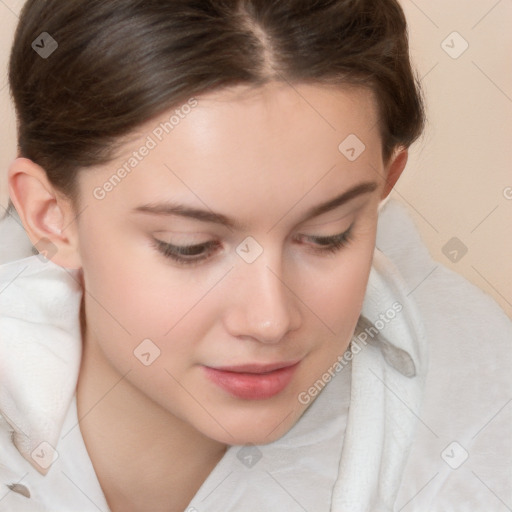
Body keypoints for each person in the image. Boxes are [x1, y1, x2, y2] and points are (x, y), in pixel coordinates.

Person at [1, 1, 510, 511]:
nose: (270, 320)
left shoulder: (482, 415)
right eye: (190, 247)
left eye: (328, 234)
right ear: (50, 216)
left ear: (382, 186)